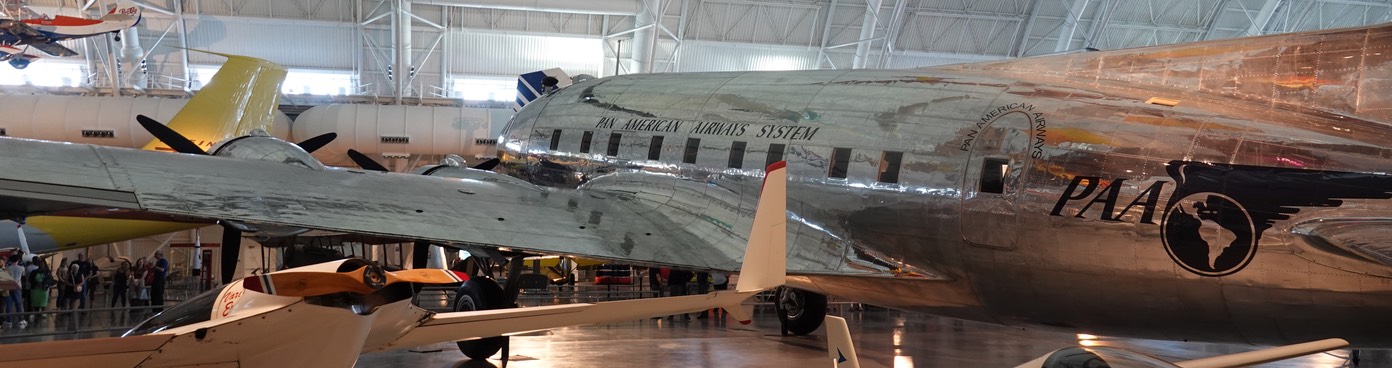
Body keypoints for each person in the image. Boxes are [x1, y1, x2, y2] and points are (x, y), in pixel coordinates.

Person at [4, 255, 25, 328]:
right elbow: (23, 276)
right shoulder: (22, 268)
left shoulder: (7, 268)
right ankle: (21, 320)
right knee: (19, 304)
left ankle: (8, 321)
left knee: (9, 304)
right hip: (17, 287)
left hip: (9, 287)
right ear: (17, 260)